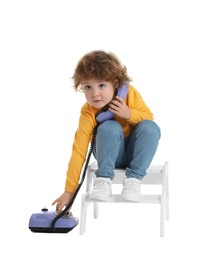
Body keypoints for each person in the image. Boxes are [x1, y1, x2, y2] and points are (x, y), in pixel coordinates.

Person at [52, 50, 161, 214]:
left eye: (102, 85)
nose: (94, 93)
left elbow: (149, 120)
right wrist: (70, 191)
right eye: (88, 87)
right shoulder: (88, 112)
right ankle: (103, 180)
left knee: (151, 128)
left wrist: (128, 114)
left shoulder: (130, 95)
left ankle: (133, 180)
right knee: (109, 127)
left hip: (135, 155)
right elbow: (79, 151)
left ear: (116, 84)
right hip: (108, 156)